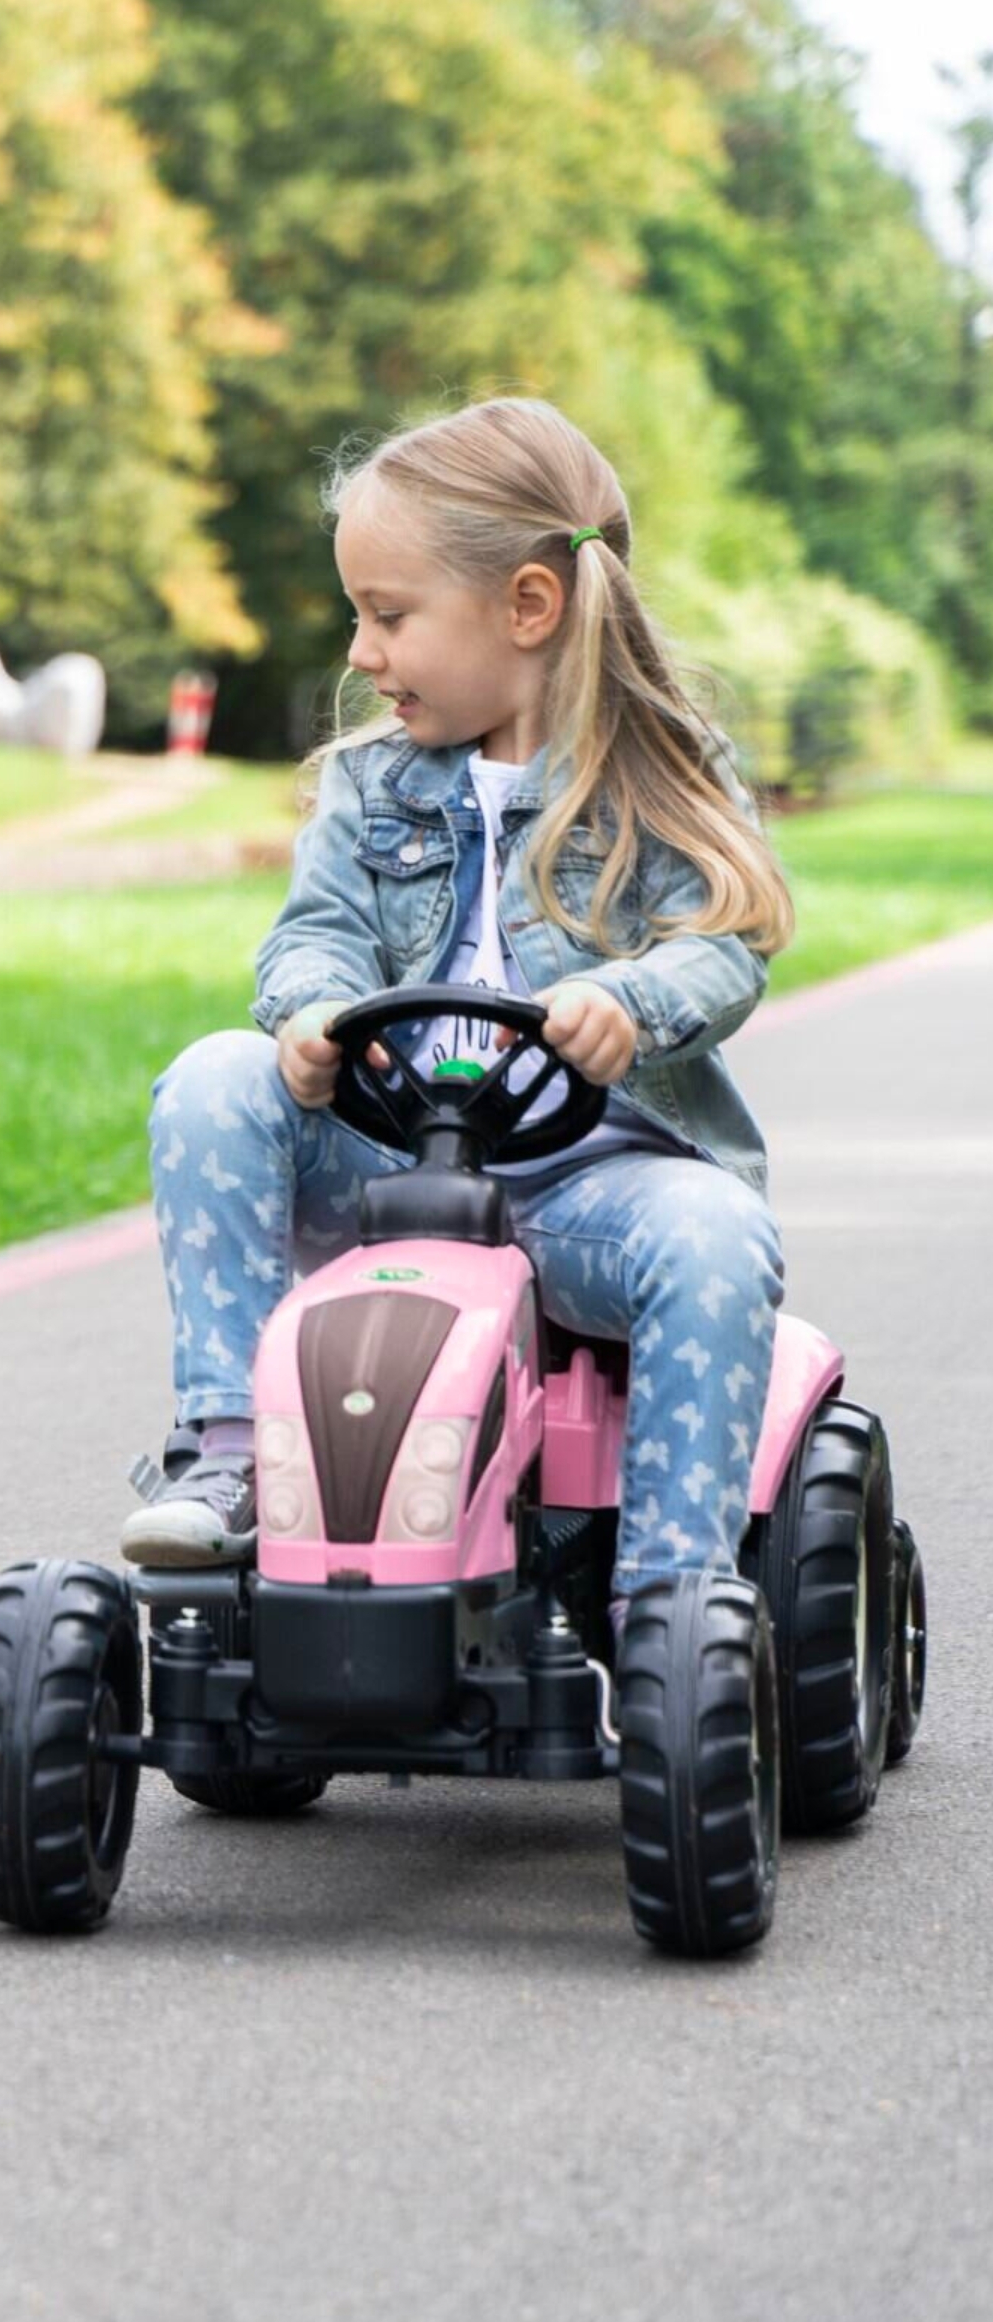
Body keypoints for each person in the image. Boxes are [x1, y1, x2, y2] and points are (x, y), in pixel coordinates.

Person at [120, 397, 794, 1635]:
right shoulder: (373, 782)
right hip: (393, 1166)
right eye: (358, 617)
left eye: (388, 615)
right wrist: (314, 1011)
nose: (361, 653)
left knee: (713, 1234)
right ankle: (223, 1448)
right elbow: (314, 932)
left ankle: (673, 1605)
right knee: (214, 1074)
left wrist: (625, 999)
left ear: (527, 608)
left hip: (591, 1191)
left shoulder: (656, 763)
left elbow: (728, 935)